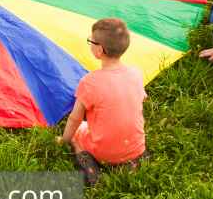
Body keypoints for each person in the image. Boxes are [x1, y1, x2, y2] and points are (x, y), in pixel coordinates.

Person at [57, 18, 147, 185]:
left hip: (103, 152)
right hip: (137, 147)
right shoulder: (136, 74)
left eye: (90, 41)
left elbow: (75, 118)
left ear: (99, 50)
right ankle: (132, 162)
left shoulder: (89, 82)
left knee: (79, 132)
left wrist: (64, 140)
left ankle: (88, 162)